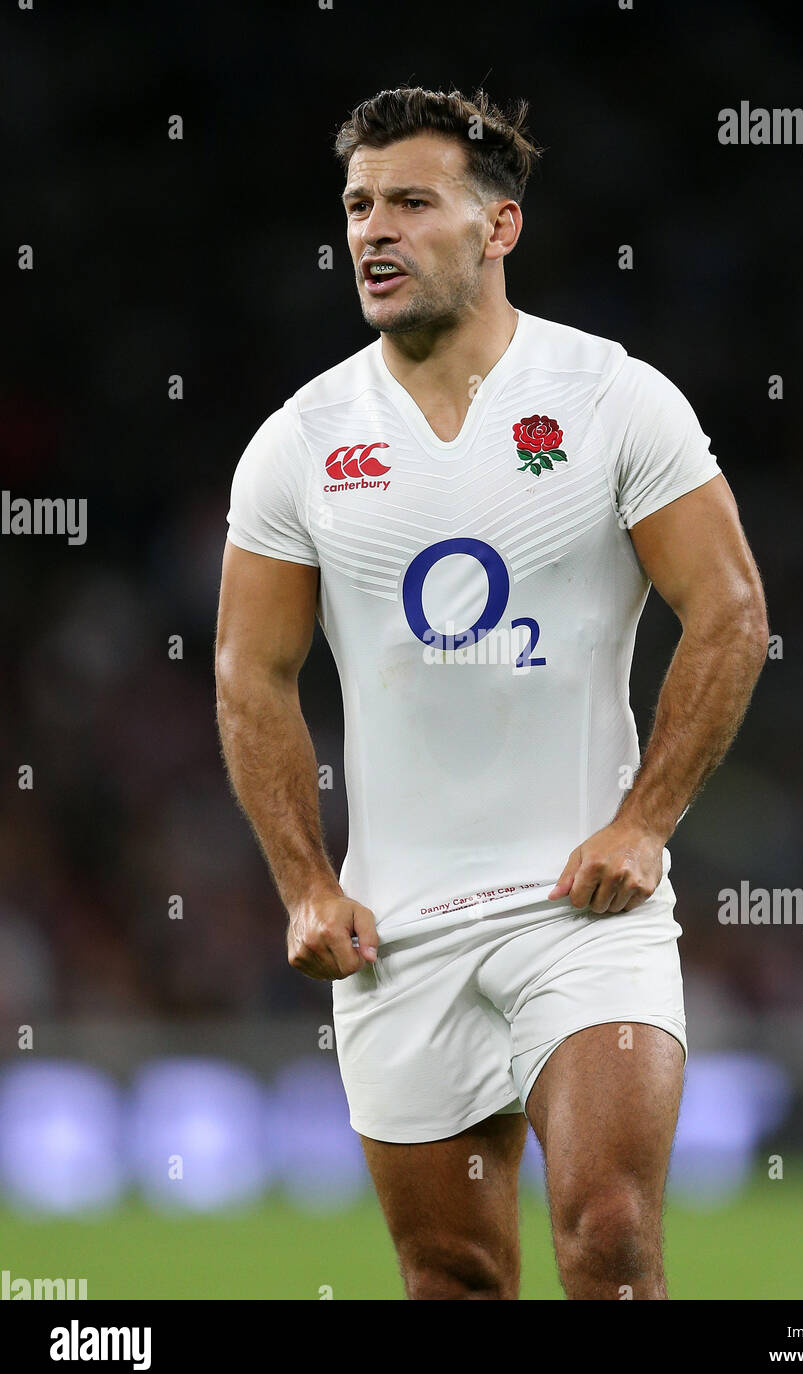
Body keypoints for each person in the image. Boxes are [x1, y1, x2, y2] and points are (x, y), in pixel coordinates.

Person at [215, 86, 769, 1300]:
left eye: (412, 202)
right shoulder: (299, 441)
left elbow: (730, 612)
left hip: (582, 910)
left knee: (609, 1235)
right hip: (394, 935)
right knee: (453, 1276)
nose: (374, 230)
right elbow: (250, 674)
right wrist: (306, 882)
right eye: (359, 205)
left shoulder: (616, 398)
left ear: (499, 227)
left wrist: (643, 823)